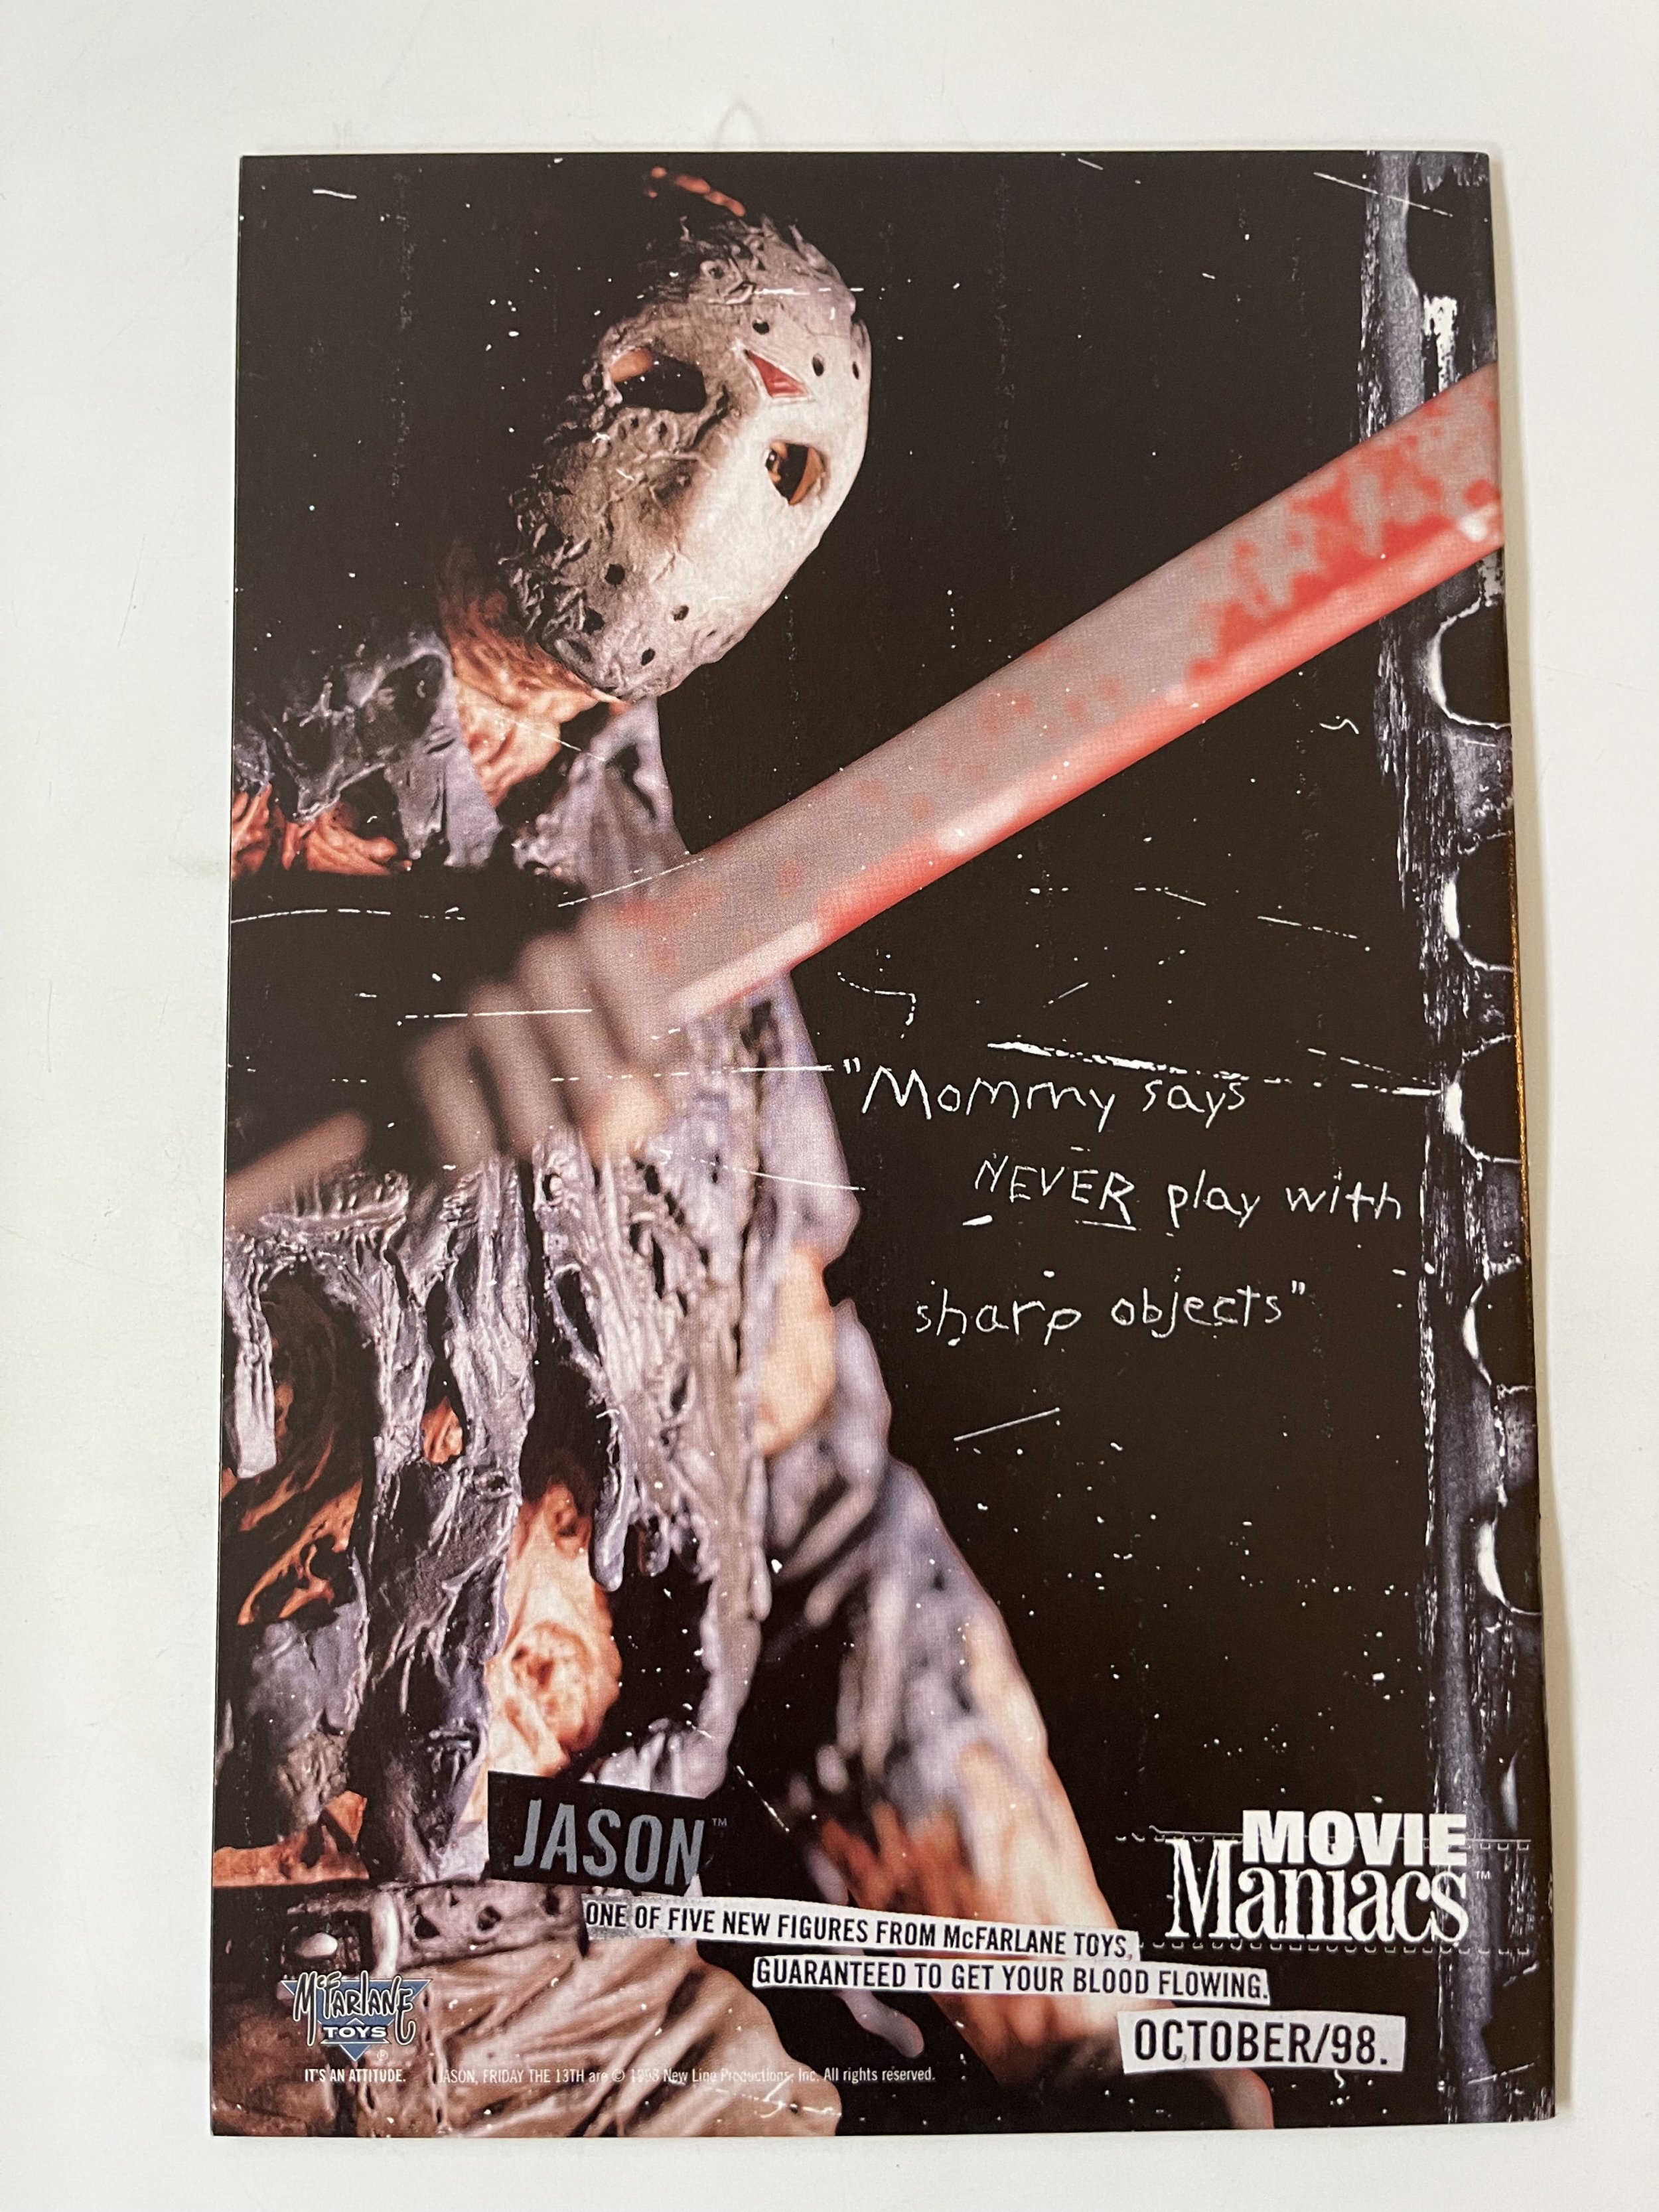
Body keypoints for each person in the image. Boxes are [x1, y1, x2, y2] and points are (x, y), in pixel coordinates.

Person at [212, 175, 1271, 2136]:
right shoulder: (138, 759)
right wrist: (321, 1013)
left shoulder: (706, 973)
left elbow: (821, 1502)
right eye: (659, 385)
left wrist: (1080, 2010)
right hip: (173, 1989)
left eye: (790, 465)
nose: (707, 492)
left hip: (586, 2004)